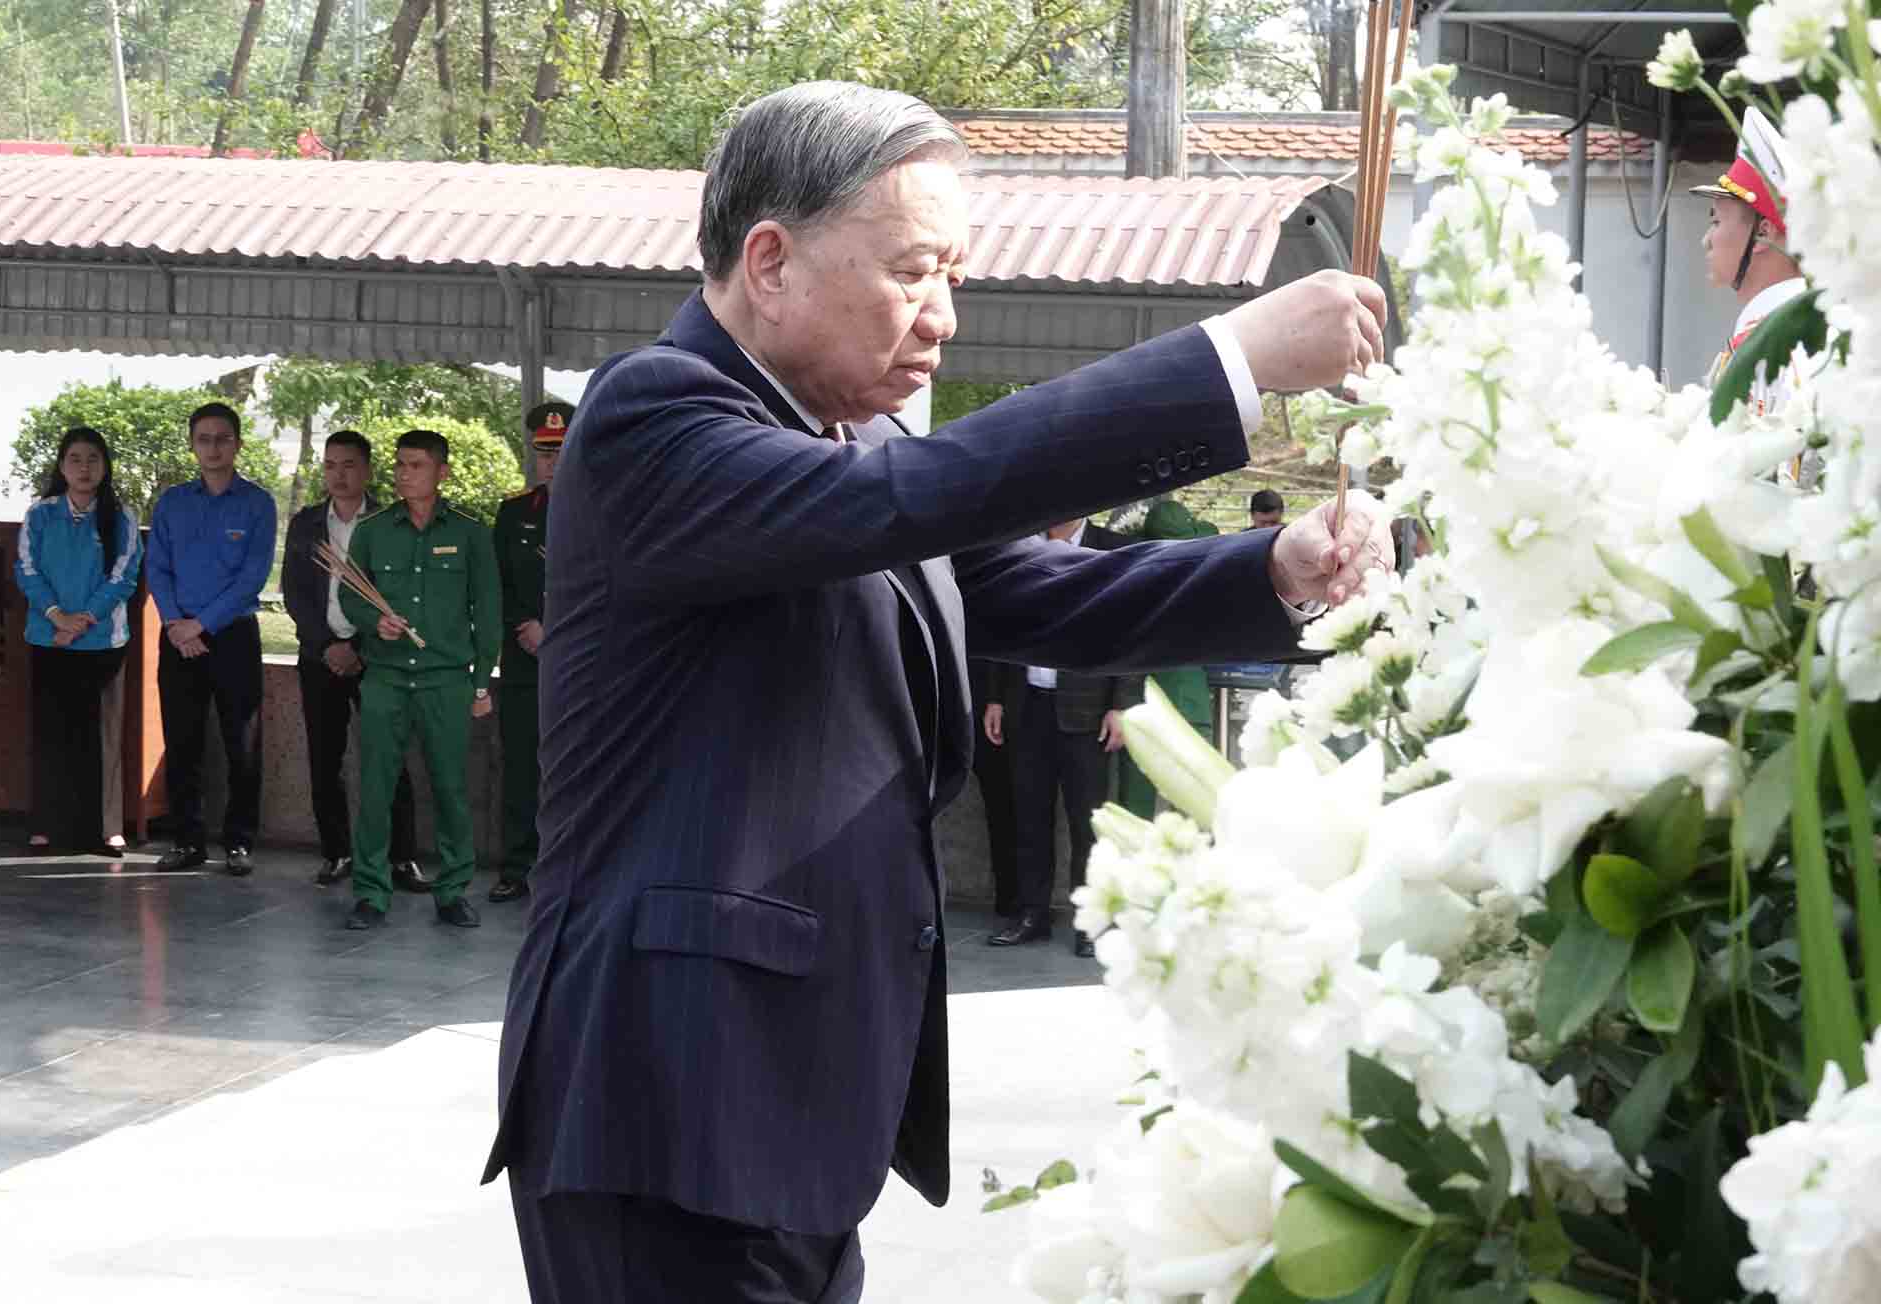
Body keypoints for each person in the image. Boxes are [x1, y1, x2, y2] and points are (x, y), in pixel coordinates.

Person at [483, 82, 1391, 1303]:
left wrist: (1270, 569)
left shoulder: (839, 445)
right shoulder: (654, 418)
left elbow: (1027, 587)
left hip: (788, 1102)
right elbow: (930, 496)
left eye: (952, 275)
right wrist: (1230, 359)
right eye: (914, 272)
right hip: (668, 1100)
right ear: (770, 261)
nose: (943, 318)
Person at [338, 429, 501, 931]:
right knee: (376, 788)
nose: (404, 474)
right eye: (400, 465)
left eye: (416, 465)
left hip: (445, 680)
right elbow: (350, 597)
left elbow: (488, 610)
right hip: (386, 677)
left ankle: (452, 890)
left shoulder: (471, 532)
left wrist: (479, 682)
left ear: (441, 472)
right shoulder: (373, 529)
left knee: (452, 788)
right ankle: (370, 892)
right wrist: (374, 623)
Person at [280, 429, 430, 893]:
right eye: (330, 465)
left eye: (348, 465)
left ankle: (402, 858)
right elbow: (296, 593)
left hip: (378, 656)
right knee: (326, 759)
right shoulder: (306, 523)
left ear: (366, 470)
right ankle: (336, 852)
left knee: (389, 756)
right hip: (319, 655)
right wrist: (326, 645)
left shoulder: (390, 520)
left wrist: (361, 648)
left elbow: (403, 593)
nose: (338, 475)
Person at [982, 518, 1133, 957]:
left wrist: (1121, 704)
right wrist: (995, 698)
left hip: (1087, 712)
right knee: (1028, 816)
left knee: (1088, 821)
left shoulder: (1111, 549)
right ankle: (1032, 915)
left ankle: (1090, 922)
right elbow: (1001, 624)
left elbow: (1129, 632)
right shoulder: (1019, 546)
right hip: (1026, 705)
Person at [147, 401, 277, 876]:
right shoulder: (172, 502)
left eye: (223, 438)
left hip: (232, 635)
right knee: (182, 741)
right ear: (192, 445)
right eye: (204, 439)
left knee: (241, 742)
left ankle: (239, 842)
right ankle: (187, 841)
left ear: (238, 445)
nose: (214, 447)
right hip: (177, 636)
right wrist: (176, 624)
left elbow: (252, 577)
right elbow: (156, 567)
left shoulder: (258, 502)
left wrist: (200, 625)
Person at [14, 427, 142, 857]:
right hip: (49, 639)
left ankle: (108, 829)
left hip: (103, 641)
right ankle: (47, 825)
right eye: (75, 459)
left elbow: (123, 577)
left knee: (105, 737)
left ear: (105, 466)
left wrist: (83, 619)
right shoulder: (40, 513)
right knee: (52, 734)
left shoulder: (121, 515)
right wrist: (58, 617)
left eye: (93, 459)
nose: (84, 468)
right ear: (61, 466)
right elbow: (27, 570)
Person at [1693, 106, 1814, 485]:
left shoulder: (1785, 344)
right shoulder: (1772, 333)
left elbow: (1794, 483)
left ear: (1763, 233)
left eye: (1716, 220)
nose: (1706, 239)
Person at [488, 403, 572, 903]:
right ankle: (517, 866)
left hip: (578, 662)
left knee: (574, 768)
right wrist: (526, 627)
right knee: (521, 765)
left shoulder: (601, 506)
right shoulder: (515, 511)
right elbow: (498, 584)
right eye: (543, 452)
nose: (551, 462)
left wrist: (555, 630)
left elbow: (604, 584)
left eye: (560, 451)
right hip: (523, 660)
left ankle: (566, 868)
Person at [1119, 497, 1220, 820]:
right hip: (1191, 699)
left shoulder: (1134, 572)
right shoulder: (1204, 570)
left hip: (1142, 699)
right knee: (1197, 808)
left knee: (1137, 809)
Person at [966, 657, 1020, 917]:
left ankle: (1012, 897)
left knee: (1004, 802)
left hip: (995, 696)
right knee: (1000, 802)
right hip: (973, 692)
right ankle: (1011, 897)